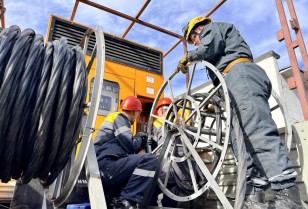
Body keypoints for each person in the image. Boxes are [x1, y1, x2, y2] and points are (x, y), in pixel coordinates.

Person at [177, 16, 303, 209]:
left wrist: (189, 57)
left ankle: (288, 196)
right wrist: (215, 103)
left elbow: (208, 48)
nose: (194, 43)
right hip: (233, 83)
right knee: (241, 143)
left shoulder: (212, 30)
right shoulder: (222, 56)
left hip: (240, 76)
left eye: (192, 39)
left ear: (198, 30)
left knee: (256, 132)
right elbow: (220, 79)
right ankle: (254, 196)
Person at [94, 96, 158, 209]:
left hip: (104, 167)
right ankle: (126, 201)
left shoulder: (116, 122)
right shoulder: (119, 117)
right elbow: (130, 144)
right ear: (135, 111)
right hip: (106, 166)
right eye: (139, 113)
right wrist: (140, 136)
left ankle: (120, 199)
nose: (138, 117)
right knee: (150, 159)